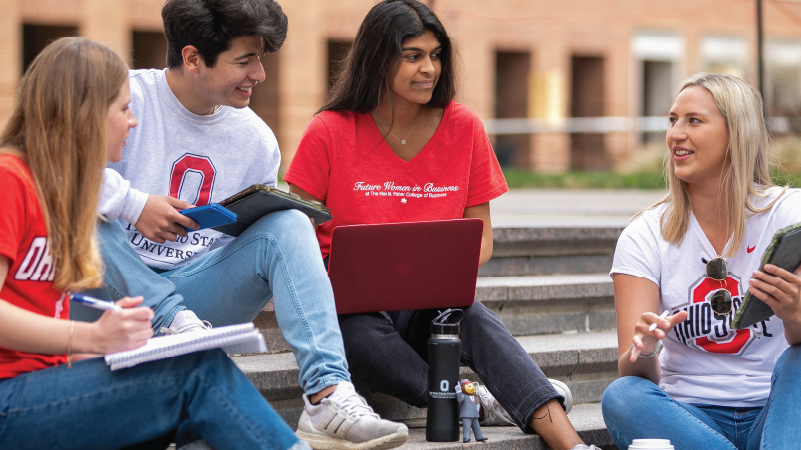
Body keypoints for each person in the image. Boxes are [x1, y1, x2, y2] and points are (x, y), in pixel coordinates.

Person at [80, 1, 408, 449]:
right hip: (101, 298)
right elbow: (52, 169)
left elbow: (245, 242)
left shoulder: (256, 140)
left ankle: (328, 396)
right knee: (85, 215)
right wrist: (133, 204)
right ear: (193, 58)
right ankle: (173, 325)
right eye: (244, 60)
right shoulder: (125, 98)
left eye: (261, 59)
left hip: (197, 303)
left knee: (289, 221)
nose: (260, 73)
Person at [284, 2, 600, 449]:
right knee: (359, 336)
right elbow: (293, 239)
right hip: (350, 308)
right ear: (377, 56)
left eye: (436, 55)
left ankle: (572, 444)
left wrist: (430, 271)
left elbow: (482, 239)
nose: (428, 68)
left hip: (428, 304)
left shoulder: (463, 127)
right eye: (413, 56)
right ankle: (473, 400)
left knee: (471, 317)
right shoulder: (330, 131)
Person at [0, 36, 311, 450]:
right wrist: (91, 337)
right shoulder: (10, 178)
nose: (133, 121)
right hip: (14, 401)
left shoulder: (60, 192)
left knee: (203, 415)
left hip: (49, 387)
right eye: (123, 108)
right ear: (84, 115)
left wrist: (119, 337)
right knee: (197, 372)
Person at [601, 72, 801, 449]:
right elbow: (635, 371)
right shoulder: (644, 234)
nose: (675, 134)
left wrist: (794, 314)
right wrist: (643, 350)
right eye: (672, 120)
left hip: (777, 412)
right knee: (622, 395)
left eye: (693, 120)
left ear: (736, 133)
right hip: (689, 418)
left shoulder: (790, 214)